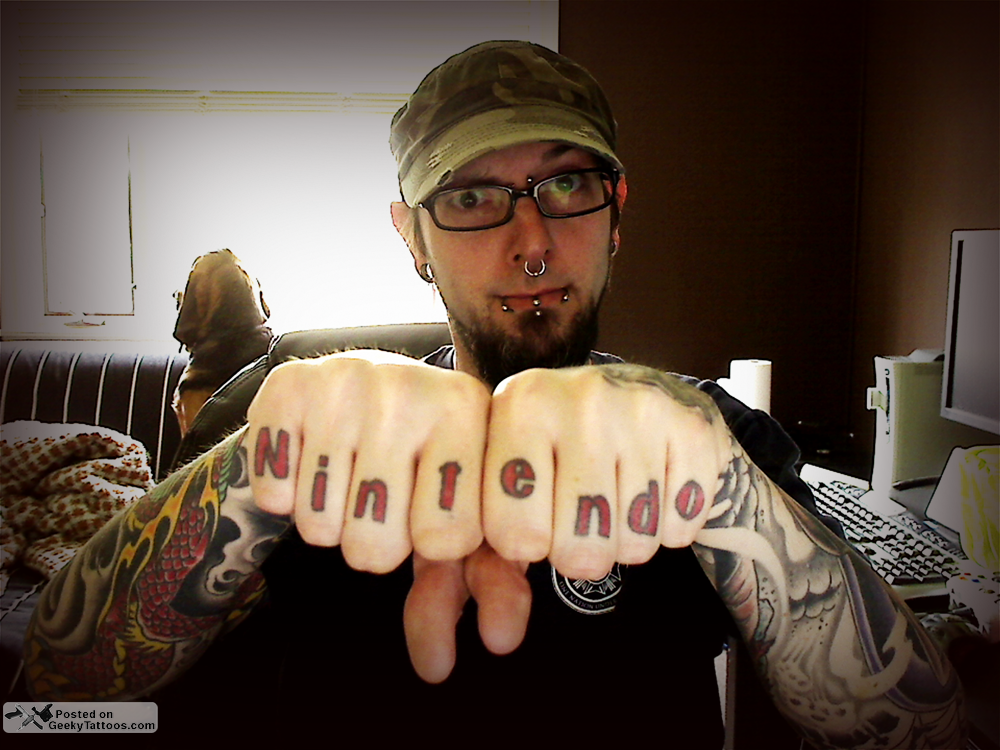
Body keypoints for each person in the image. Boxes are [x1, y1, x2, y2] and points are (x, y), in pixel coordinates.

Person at [24, 41, 964, 748]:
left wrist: (725, 493)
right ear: (412, 238)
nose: (532, 242)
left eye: (568, 184)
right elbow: (55, 690)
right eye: (472, 197)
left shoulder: (711, 438)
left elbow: (923, 733)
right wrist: (254, 476)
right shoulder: (294, 428)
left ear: (617, 212)